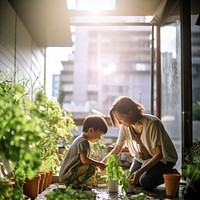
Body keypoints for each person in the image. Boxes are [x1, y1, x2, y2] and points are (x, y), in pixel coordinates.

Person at [102, 96, 178, 190]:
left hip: (162, 159)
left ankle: (171, 173)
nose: (119, 122)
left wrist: (139, 172)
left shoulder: (153, 123)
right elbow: (117, 148)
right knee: (131, 180)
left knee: (145, 182)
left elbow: (159, 154)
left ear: (130, 113)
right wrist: (101, 163)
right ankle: (148, 174)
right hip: (142, 158)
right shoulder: (125, 126)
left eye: (120, 118)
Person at [59, 114, 108, 190]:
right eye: (99, 135)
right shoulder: (83, 142)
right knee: (91, 168)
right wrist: (99, 164)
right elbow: (84, 160)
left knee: (91, 169)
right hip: (67, 175)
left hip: (69, 174)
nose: (99, 138)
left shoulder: (83, 140)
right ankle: (73, 184)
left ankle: (78, 184)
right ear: (91, 130)